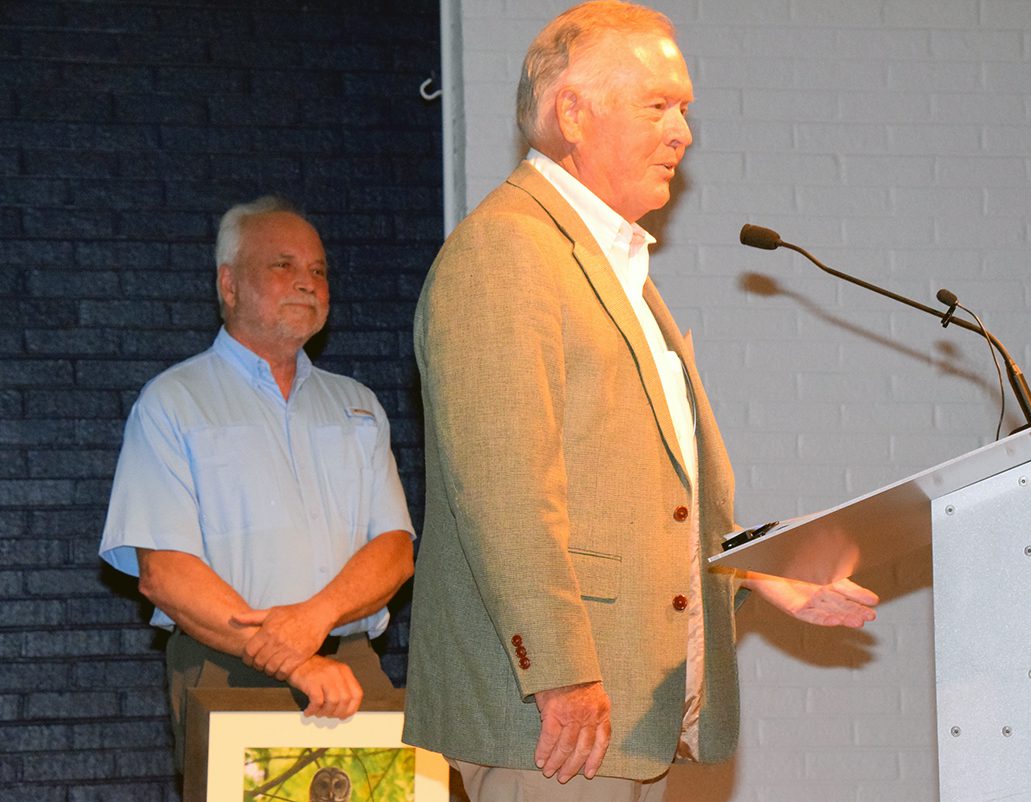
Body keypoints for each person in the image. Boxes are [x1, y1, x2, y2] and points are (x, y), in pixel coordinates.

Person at [402, 2, 879, 800]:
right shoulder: (507, 251)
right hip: (556, 728)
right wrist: (558, 674)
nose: (683, 132)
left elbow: (648, 501)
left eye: (684, 107)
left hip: (626, 720)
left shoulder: (614, 269)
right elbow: (503, 489)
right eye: (658, 104)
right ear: (573, 113)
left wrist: (762, 572)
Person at [99, 196, 415, 770]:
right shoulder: (174, 403)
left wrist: (316, 617)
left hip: (351, 667)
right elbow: (164, 573)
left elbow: (394, 551)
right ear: (229, 284)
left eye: (318, 271)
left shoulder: (358, 406)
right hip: (226, 669)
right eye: (283, 265)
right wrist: (293, 659)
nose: (307, 283)